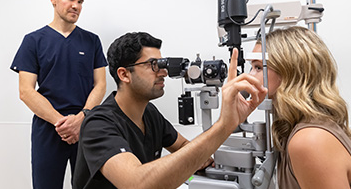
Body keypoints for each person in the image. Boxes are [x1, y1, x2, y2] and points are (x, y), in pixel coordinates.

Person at [73, 32, 268, 188]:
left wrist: (202, 160)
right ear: (124, 74)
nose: (164, 72)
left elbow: (184, 147)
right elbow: (137, 184)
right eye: (153, 65)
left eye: (162, 63)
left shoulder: (149, 113)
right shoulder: (98, 124)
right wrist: (224, 126)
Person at [10, 0, 107, 189]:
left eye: (81, 1)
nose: (76, 6)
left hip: (86, 126)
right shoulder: (33, 41)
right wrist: (62, 124)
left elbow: (100, 85)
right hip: (49, 127)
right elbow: (26, 91)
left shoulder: (92, 41)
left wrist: (81, 119)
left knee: (90, 185)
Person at [248, 26, 351, 188]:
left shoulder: (309, 141)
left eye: (258, 67)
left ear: (290, 72)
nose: (249, 77)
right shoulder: (298, 129)